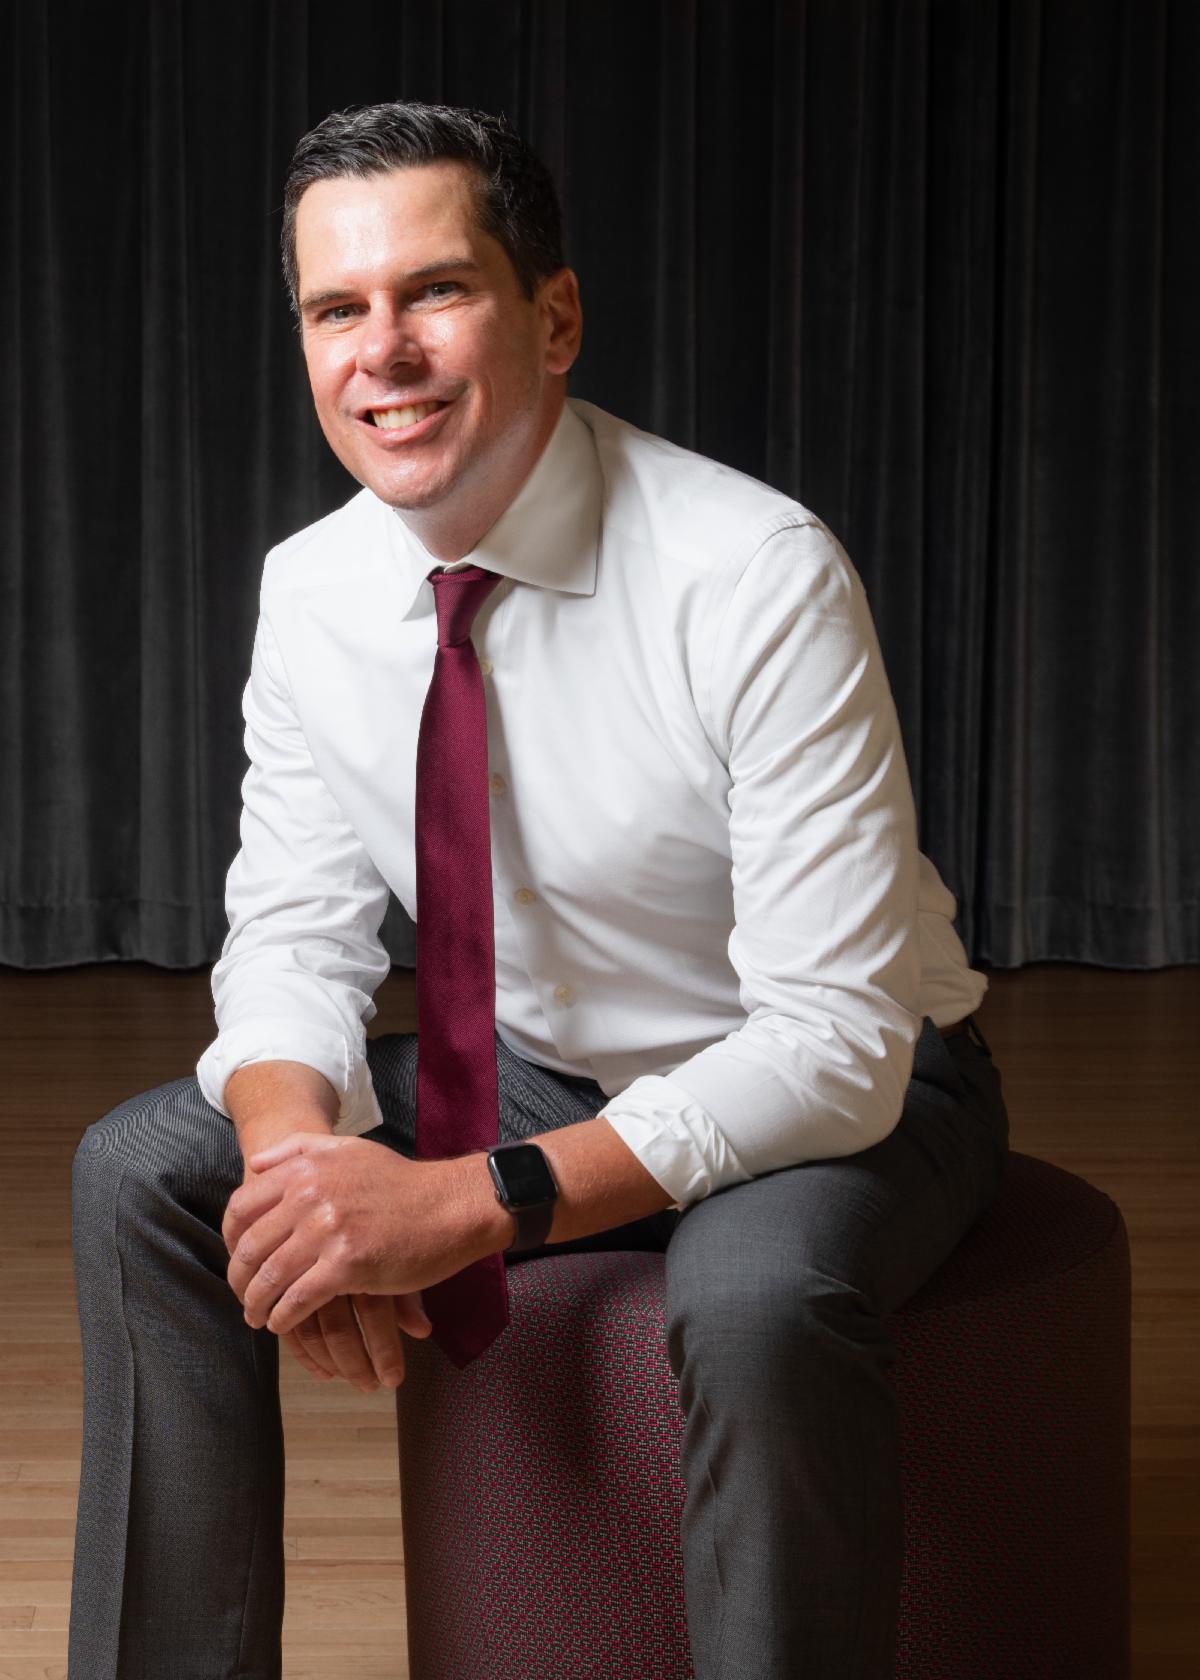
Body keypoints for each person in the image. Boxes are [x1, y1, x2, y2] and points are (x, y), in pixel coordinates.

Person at [69, 100, 1009, 1679]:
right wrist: (302, 1184)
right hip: (531, 1063)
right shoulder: (311, 589)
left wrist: (457, 1200)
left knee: (759, 1295)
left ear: (553, 316)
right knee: (143, 1173)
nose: (385, 353)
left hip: (848, 1084)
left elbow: (834, 1042)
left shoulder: (754, 573)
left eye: (433, 291)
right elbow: (294, 930)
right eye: (335, 309)